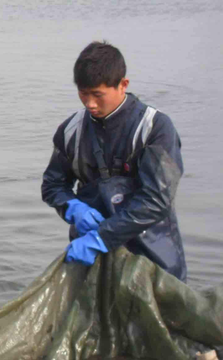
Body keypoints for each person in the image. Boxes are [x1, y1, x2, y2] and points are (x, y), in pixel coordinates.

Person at [41, 41, 187, 281]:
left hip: (153, 256)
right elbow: (53, 186)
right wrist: (72, 208)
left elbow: (157, 200)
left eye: (98, 95)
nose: (90, 104)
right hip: (91, 257)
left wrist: (102, 238)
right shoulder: (71, 131)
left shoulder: (155, 128)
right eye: (83, 94)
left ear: (123, 85)